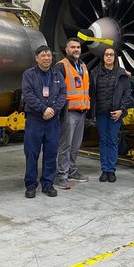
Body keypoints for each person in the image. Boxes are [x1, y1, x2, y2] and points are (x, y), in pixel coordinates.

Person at [21, 44, 67, 198]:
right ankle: (31, 185)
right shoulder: (29, 75)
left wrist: (53, 110)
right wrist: (43, 109)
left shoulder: (57, 75)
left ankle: (48, 184)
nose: (47, 58)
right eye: (43, 56)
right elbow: (28, 95)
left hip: (52, 121)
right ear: (37, 58)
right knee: (32, 153)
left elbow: (63, 95)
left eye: (49, 56)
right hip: (35, 120)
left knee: (51, 153)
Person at [89, 45, 132, 182]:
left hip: (115, 114)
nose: (109, 57)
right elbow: (91, 93)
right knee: (103, 141)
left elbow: (127, 95)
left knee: (113, 141)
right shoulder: (95, 73)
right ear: (103, 57)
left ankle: (111, 170)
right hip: (101, 113)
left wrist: (121, 110)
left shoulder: (121, 74)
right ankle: (104, 169)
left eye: (111, 55)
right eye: (106, 54)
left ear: (115, 57)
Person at [55, 38, 91, 188]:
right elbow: (56, 91)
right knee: (65, 145)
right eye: (73, 47)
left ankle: (72, 170)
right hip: (68, 113)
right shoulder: (61, 67)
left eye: (78, 47)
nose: (76, 50)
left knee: (75, 146)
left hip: (81, 112)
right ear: (67, 49)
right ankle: (62, 174)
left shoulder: (83, 66)